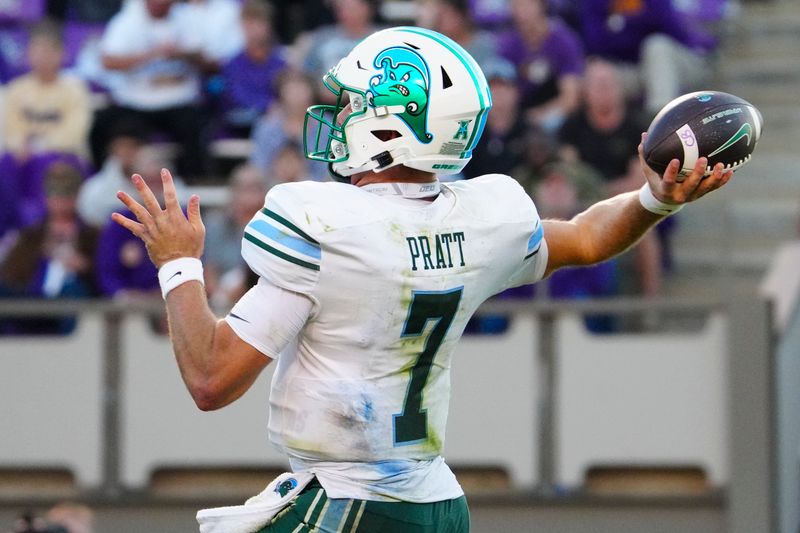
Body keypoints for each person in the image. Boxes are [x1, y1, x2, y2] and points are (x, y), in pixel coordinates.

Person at [113, 27, 733, 532]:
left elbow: (211, 379)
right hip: (437, 502)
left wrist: (178, 263)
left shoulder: (327, 227)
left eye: (354, 104)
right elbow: (592, 235)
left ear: (392, 124)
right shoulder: (481, 221)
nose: (340, 115)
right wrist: (655, 200)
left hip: (353, 503)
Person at [89, 0, 210, 181]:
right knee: (100, 125)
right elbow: (108, 61)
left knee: (198, 126)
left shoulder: (188, 20)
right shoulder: (127, 21)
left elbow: (209, 63)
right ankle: (102, 178)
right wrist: (151, 54)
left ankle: (193, 182)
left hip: (178, 101)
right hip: (136, 102)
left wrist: (180, 54)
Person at [1, 19, 92, 227]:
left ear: (61, 54)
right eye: (36, 51)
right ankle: (8, 230)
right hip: (24, 155)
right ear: (28, 54)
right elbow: (11, 130)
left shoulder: (75, 88)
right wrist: (21, 146)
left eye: (47, 51)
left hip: (65, 155)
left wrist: (37, 146)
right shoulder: (16, 89)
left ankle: (40, 226)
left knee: (47, 163)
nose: (42, 57)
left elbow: (74, 132)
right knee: (7, 162)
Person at [0, 162, 99, 335]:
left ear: (77, 195)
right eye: (54, 193)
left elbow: (104, 276)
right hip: (33, 298)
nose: (60, 200)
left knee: (73, 290)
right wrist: (39, 255)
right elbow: (10, 274)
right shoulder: (31, 235)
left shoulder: (91, 235)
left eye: (66, 193)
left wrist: (85, 267)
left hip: (69, 300)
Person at [579, 0, 720, 115]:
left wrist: (624, 28)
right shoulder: (595, 3)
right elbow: (595, 43)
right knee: (598, 71)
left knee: (656, 46)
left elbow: (675, 31)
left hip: (678, 64)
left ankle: (660, 117)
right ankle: (601, 134)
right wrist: (637, 26)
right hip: (631, 68)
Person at [496, 0, 585, 133]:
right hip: (520, 110)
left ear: (542, 5)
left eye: (527, 4)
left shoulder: (564, 41)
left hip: (555, 108)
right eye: (516, 5)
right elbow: (500, 90)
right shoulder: (507, 45)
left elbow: (570, 98)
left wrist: (540, 115)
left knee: (552, 124)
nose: (522, 11)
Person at [217, 0, 288, 137]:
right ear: (242, 26)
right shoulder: (233, 63)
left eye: (260, 23)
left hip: (277, 118)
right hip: (242, 121)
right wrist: (266, 105)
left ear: (269, 26)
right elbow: (237, 96)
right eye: (250, 24)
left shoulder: (280, 62)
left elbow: (285, 92)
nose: (255, 29)